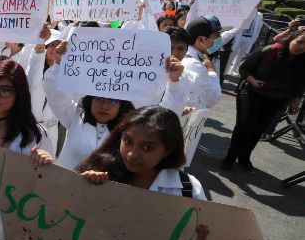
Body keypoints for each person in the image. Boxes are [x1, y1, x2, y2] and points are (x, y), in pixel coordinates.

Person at [42, 41, 186, 170]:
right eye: (99, 98)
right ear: (89, 100)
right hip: (64, 190)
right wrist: (59, 64)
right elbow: (55, 94)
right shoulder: (74, 117)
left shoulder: (132, 128)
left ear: (122, 104)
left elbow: (165, 118)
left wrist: (174, 82)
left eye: (112, 101)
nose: (105, 106)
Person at [77, 106, 207, 200]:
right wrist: (82, 185)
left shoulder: (188, 189)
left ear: (168, 150)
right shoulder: (99, 169)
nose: (132, 154)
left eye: (147, 148)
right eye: (128, 142)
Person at [222, 29, 305, 172]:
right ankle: (230, 157)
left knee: (258, 129)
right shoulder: (271, 50)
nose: (302, 47)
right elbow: (244, 68)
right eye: (300, 42)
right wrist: (252, 81)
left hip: (277, 98)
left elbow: (300, 84)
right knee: (244, 125)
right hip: (251, 91)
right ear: (292, 39)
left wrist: (296, 102)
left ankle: (244, 157)